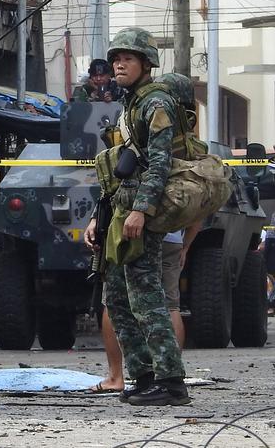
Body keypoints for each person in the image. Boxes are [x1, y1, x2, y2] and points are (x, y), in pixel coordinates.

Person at [85, 27, 191, 407]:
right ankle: (143, 375)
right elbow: (119, 168)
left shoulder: (155, 102)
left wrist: (141, 211)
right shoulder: (131, 104)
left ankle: (171, 381)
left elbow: (160, 164)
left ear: (146, 63)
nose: (118, 64)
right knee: (117, 297)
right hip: (119, 209)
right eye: (116, 58)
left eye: (127, 58)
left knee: (146, 298)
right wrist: (101, 217)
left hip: (138, 214)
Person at [95, 225, 200, 395]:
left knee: (116, 301)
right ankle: (166, 375)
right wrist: (186, 244)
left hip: (131, 236)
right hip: (170, 239)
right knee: (170, 306)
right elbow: (200, 209)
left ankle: (119, 376)